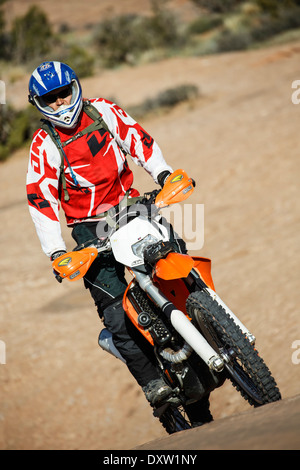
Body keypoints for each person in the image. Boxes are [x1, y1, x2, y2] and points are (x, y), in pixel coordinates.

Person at [26, 60, 177, 406]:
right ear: (39, 104)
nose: (61, 103)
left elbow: (139, 140)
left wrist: (165, 175)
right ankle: (153, 384)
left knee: (177, 261)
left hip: (130, 205)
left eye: (64, 93)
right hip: (88, 229)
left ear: (76, 87)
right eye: (51, 99)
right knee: (113, 310)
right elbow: (40, 200)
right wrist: (56, 252)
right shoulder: (43, 145)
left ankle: (210, 319)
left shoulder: (103, 112)